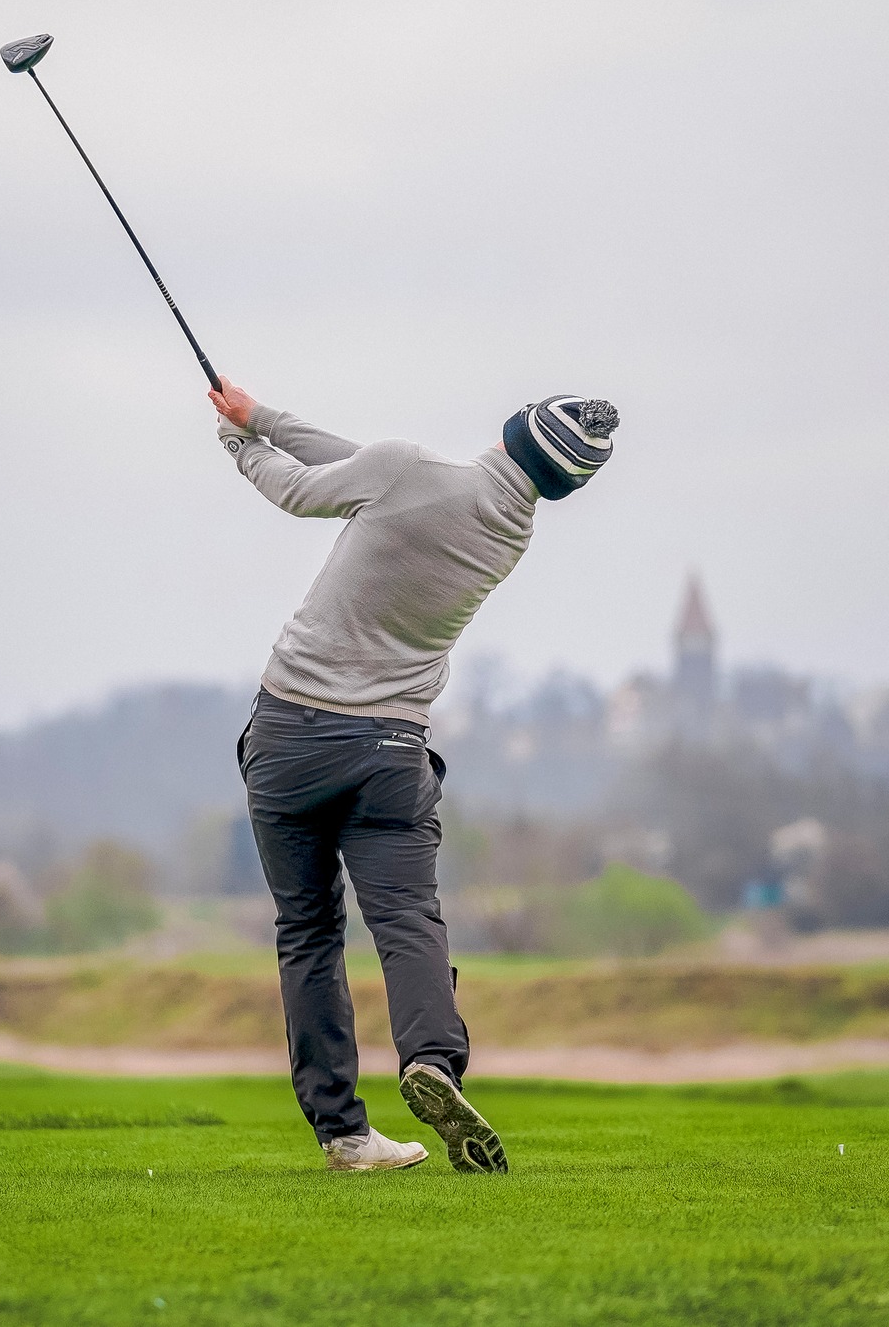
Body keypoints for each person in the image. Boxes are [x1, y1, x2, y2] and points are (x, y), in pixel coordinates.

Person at [210, 376, 620, 1174]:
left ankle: (344, 1134)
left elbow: (302, 489)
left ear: (513, 430)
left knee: (308, 931)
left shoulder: (405, 471)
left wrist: (236, 442)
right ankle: (434, 1059)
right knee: (406, 916)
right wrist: (259, 415)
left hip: (290, 734)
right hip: (391, 752)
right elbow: (362, 465)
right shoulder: (507, 532)